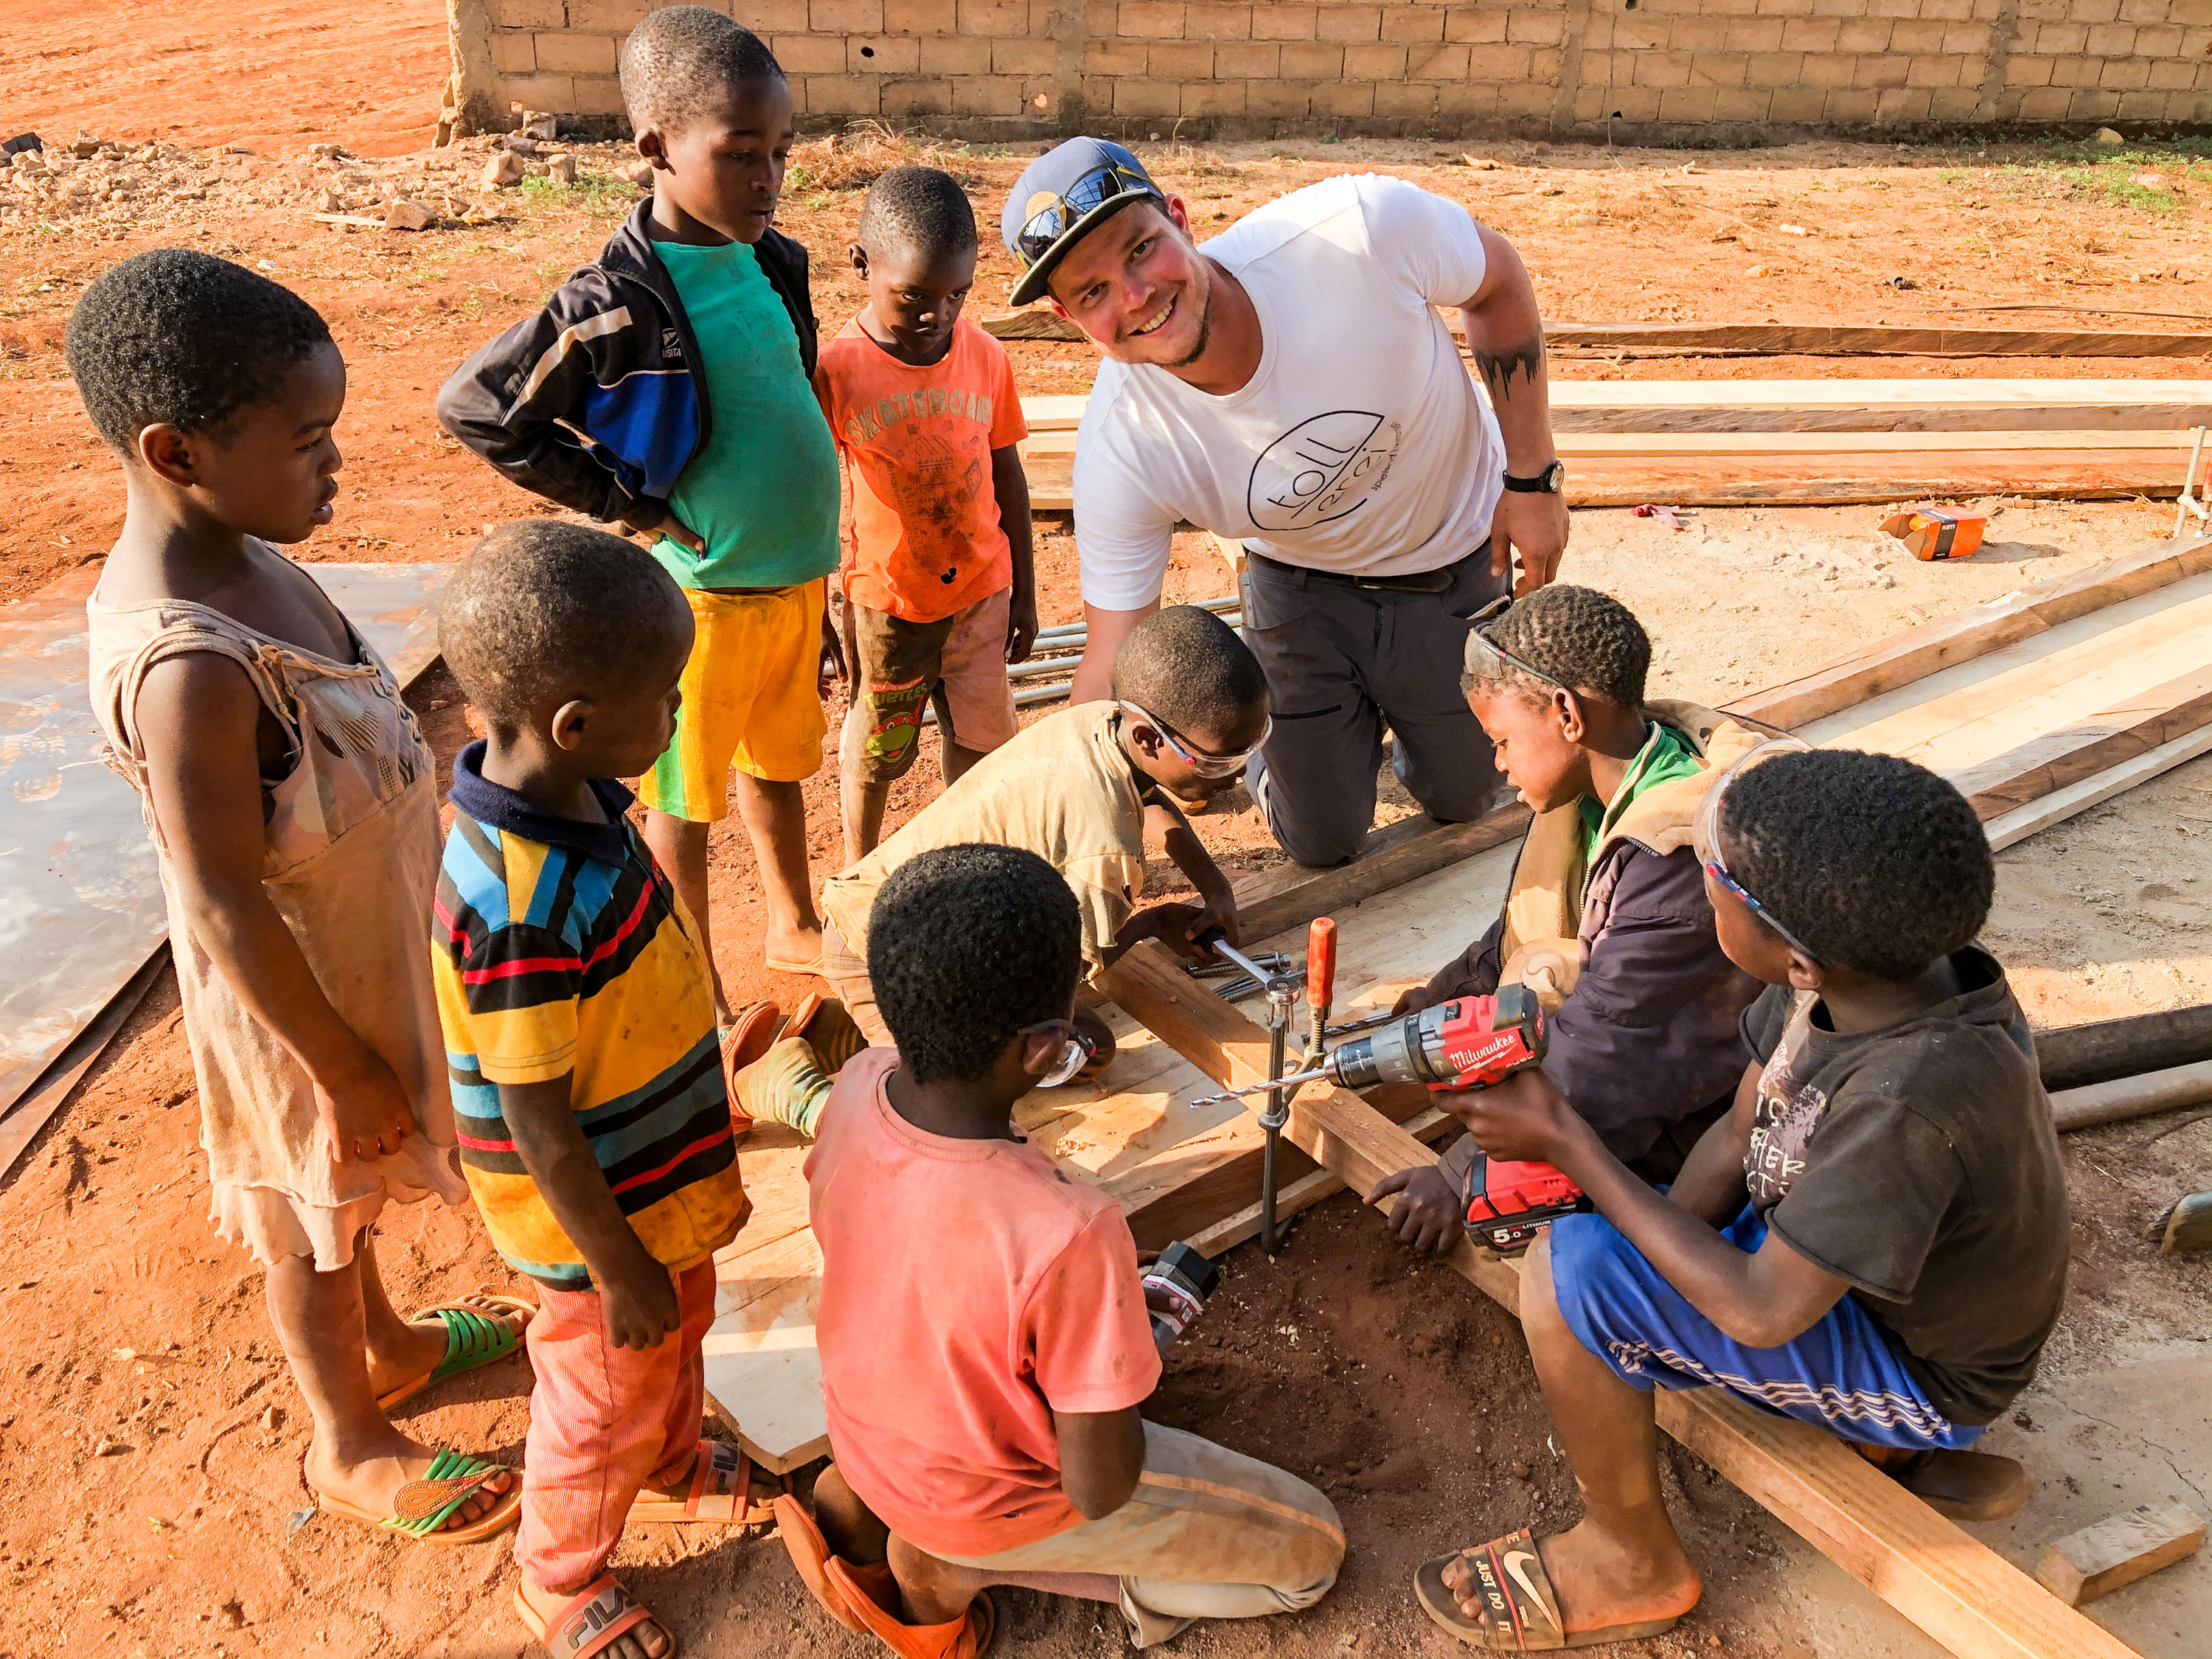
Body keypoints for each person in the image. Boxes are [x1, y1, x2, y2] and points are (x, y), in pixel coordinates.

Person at [1412, 747, 2068, 1649]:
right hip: (1851, 1267)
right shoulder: (1869, 975)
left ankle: (1632, 1563)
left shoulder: (1911, 1100)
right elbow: (1737, 1129)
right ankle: (1873, 1443)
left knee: (1565, 1273)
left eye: (1712, 882)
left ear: (1796, 958)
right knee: (1612, 1248)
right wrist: (1647, 1272)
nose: (1699, 886)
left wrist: (1571, 1148)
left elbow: (1762, 1313)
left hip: (1920, 1368)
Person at [70, 251, 526, 1543]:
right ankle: (349, 1440)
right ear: (177, 452)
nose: (336, 463)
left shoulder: (250, 557)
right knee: (312, 1216)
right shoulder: (189, 672)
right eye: (308, 440)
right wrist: (335, 1064)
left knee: (354, 1203)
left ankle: (389, 1343)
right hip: (295, 1008)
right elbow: (221, 899)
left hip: (358, 950)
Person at [777, 842, 1345, 1658]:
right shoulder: (1069, 1231)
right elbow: (1100, 1486)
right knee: (1314, 1552)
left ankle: (860, 1501)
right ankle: (950, 1565)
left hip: (870, 1436)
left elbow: (928, 1266)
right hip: (980, 1504)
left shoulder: (860, 1083)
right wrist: (1118, 1355)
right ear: (1044, 1048)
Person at [437, 7, 841, 1040]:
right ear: (656, 146)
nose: (768, 179)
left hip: (793, 586)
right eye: (740, 153)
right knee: (683, 803)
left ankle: (794, 922)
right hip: (702, 605)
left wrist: (821, 574)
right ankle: (692, 974)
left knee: (780, 766)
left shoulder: (773, 260)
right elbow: (480, 408)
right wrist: (630, 502)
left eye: (781, 152)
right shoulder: (616, 301)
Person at [1001, 138, 1568, 869]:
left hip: (1453, 559)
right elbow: (1111, 657)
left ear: (1180, 219)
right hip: (1301, 596)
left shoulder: (1356, 234)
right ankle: (1300, 743)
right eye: (1093, 292)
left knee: (1465, 796)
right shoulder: (1125, 446)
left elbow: (1497, 281)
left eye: (1140, 250)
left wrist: (1532, 478)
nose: (1134, 297)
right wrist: (1072, 806)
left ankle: (1398, 727)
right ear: (1066, 317)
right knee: (1321, 841)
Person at [432, 523, 762, 1659]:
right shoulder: (519, 908)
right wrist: (616, 1264)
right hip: (596, 1224)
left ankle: (669, 1460)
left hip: (652, 1182)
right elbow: (536, 1120)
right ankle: (558, 1572)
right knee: (600, 1397)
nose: (676, 712)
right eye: (664, 696)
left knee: (677, 1330)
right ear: (573, 722)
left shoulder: (582, 796)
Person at [732, 605, 1265, 1138]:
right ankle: (791, 1088)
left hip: (920, 930)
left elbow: (1148, 796)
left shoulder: (1106, 721)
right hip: (881, 947)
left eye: (1249, 753)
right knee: (940, 1122)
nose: (1236, 776)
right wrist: (1150, 923)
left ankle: (842, 1034)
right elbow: (1064, 978)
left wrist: (1215, 888)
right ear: (1149, 738)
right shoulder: (1104, 851)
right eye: (1219, 763)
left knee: (1088, 1049)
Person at [1368, 585, 1767, 1253]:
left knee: (1541, 1233)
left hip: (1703, 1117)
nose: (1498, 762)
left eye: (1502, 741)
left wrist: (1458, 1174)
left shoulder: (1675, 860)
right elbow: (1521, 929)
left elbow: (1605, 1053)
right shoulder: (1593, 787)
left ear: (1566, 715)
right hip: (1625, 1046)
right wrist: (1434, 1003)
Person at [815, 164, 1039, 863]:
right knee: (878, 748)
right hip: (890, 605)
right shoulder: (838, 369)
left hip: (981, 593)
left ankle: (965, 861)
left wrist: (1025, 591)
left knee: (981, 741)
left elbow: (1008, 474)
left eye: (956, 295)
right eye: (913, 295)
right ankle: (858, 868)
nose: (936, 315)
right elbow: (815, 491)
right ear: (862, 265)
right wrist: (814, 604)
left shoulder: (986, 357)